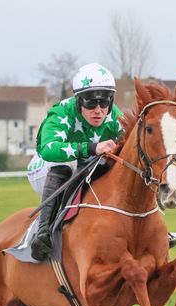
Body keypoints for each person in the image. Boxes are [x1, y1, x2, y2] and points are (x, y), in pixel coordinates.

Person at [26, 63, 123, 261]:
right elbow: (48, 149)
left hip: (85, 167)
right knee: (67, 165)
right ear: (78, 101)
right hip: (45, 166)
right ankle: (43, 233)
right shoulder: (62, 113)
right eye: (90, 103)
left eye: (104, 103)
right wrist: (92, 148)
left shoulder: (113, 115)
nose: (98, 110)